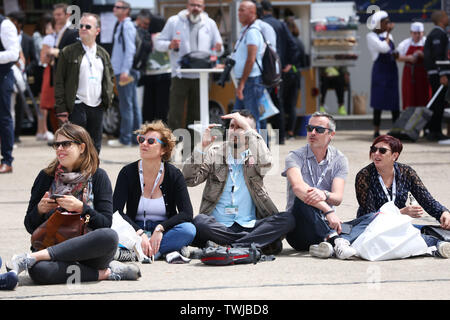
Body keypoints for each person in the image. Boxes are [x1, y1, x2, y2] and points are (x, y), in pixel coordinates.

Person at [6, 123, 141, 284]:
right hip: (52, 246)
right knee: (40, 271)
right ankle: (106, 273)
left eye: (66, 144)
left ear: (82, 147)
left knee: (110, 236)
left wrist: (81, 208)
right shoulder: (45, 176)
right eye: (56, 144)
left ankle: (30, 259)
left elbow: (105, 223)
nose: (59, 148)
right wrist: (39, 210)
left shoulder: (98, 176)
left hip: (89, 254)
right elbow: (30, 226)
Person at [182, 110, 294, 254]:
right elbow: (189, 179)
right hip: (218, 226)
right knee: (199, 222)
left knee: (288, 219)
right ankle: (251, 244)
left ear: (251, 132)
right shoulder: (214, 153)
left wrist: (248, 131)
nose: (233, 131)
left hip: (250, 225)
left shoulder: (256, 156)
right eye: (232, 126)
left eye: (240, 127)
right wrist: (201, 148)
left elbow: (267, 163)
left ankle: (228, 247)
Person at [354, 134, 450, 258]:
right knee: (402, 237)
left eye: (382, 151)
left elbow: (427, 200)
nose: (376, 154)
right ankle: (436, 246)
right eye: (373, 149)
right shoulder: (364, 175)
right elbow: (370, 215)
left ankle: (433, 244)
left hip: (399, 226)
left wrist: (443, 213)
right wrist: (400, 213)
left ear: (395, 155)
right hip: (372, 229)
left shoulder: (407, 172)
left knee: (424, 232)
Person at [283, 112, 363, 259]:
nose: (312, 133)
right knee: (302, 196)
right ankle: (336, 241)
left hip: (327, 224)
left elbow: (337, 198)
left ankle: (325, 246)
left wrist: (324, 195)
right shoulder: (294, 156)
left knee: (368, 219)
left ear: (331, 134)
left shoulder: (339, 159)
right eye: (309, 128)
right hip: (300, 229)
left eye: (318, 130)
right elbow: (298, 188)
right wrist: (327, 210)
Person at [113, 121, 196, 260]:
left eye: (151, 141)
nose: (144, 143)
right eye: (141, 139)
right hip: (135, 228)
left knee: (188, 230)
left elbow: (186, 213)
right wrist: (139, 232)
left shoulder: (174, 175)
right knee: (111, 228)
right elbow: (116, 211)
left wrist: (160, 228)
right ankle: (161, 251)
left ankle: (137, 252)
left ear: (163, 150)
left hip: (165, 231)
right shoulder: (127, 172)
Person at [154, 0, 223, 135]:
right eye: (192, 5)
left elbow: (218, 48)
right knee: (175, 113)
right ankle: (171, 149)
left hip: (200, 76)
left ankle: (191, 148)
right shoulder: (174, 21)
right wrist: (170, 45)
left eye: (198, 5)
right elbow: (158, 43)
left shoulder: (210, 24)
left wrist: (219, 49)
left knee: (196, 114)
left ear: (203, 7)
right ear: (187, 6)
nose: (195, 8)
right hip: (180, 74)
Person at [55, 13, 115, 154]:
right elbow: (59, 81)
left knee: (95, 148)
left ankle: (93, 175)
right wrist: (61, 108)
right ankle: (75, 176)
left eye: (87, 26)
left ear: (97, 31)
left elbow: (110, 78)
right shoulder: (68, 52)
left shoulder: (103, 53)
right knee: (75, 147)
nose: (83, 28)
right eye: (81, 26)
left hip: (97, 106)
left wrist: (108, 100)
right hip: (76, 105)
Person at [260, 0, 299, 144]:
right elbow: (293, 45)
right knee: (278, 102)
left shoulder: (259, 24)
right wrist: (288, 63)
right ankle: (281, 136)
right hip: (278, 72)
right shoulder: (281, 24)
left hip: (263, 72)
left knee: (262, 103)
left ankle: (264, 137)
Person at [107, 1, 142, 148]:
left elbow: (130, 50)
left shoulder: (127, 26)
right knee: (132, 105)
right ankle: (135, 138)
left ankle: (126, 138)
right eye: (115, 7)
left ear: (126, 10)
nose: (115, 9)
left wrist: (125, 71)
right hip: (125, 70)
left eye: (118, 7)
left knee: (126, 105)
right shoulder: (124, 25)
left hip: (125, 71)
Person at [232, 1, 265, 131]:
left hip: (251, 81)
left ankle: (262, 150)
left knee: (253, 119)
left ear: (252, 12)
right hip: (247, 81)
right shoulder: (245, 30)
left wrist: (242, 84)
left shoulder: (252, 32)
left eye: (242, 10)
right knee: (238, 116)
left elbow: (250, 60)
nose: (238, 13)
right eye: (238, 10)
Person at [366, 11, 400, 138]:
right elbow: (384, 48)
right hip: (380, 71)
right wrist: (389, 33)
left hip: (391, 71)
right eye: (386, 22)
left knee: (394, 101)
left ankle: (396, 129)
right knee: (378, 100)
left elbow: (392, 50)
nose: (389, 24)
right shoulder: (371, 36)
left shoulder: (388, 36)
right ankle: (376, 129)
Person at [8, 11, 39, 144]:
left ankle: (16, 135)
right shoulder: (4, 37)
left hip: (22, 75)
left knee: (20, 105)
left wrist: (25, 68)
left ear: (18, 23)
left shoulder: (28, 39)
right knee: (7, 106)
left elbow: (35, 60)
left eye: (12, 21)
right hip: (6, 74)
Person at [138, 10, 171, 124]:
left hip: (149, 73)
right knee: (162, 106)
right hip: (165, 73)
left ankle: (148, 128)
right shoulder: (163, 37)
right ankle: (162, 130)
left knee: (148, 105)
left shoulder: (147, 36)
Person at [423, 11, 450, 141]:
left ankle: (432, 130)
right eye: (446, 17)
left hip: (436, 73)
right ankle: (436, 131)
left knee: (437, 103)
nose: (448, 18)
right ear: (441, 20)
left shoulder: (437, 34)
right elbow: (439, 56)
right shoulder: (438, 34)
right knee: (438, 103)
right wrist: (443, 73)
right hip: (438, 74)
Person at [0, 13, 20, 174]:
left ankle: (7, 160)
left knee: (4, 118)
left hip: (3, 77)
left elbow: (14, 54)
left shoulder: (5, 25)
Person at [397, 22, 430, 110]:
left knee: (424, 97)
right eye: (415, 33)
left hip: (424, 75)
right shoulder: (405, 43)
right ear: (411, 33)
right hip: (410, 75)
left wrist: (422, 55)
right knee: (409, 97)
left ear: (423, 33)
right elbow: (396, 57)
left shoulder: (427, 42)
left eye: (419, 33)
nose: (417, 35)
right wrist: (408, 58)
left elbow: (433, 57)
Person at [283, 16, 306, 139]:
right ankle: (291, 132)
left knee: (282, 104)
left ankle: (284, 131)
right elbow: (304, 61)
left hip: (285, 75)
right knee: (292, 105)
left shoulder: (286, 42)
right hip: (296, 75)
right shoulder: (300, 42)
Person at [35, 14, 56, 142]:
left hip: (50, 70)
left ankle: (43, 130)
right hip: (43, 69)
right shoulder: (44, 37)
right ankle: (42, 130)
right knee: (45, 103)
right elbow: (42, 57)